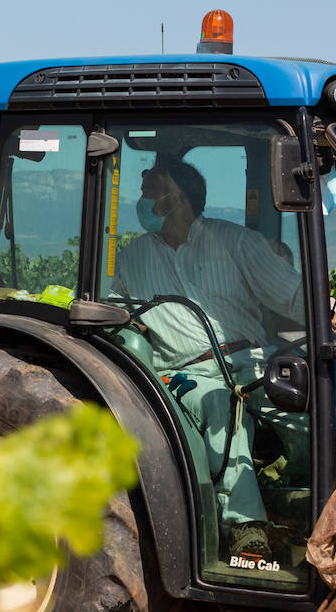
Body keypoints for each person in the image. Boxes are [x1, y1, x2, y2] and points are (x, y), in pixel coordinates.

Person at [112, 156, 304, 559]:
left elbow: (293, 296)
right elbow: (118, 315)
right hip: (187, 373)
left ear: (175, 198)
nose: (141, 201)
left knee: (315, 403)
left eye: (150, 191)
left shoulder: (236, 242)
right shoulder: (132, 258)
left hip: (251, 360)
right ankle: (246, 528)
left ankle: (310, 513)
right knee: (222, 406)